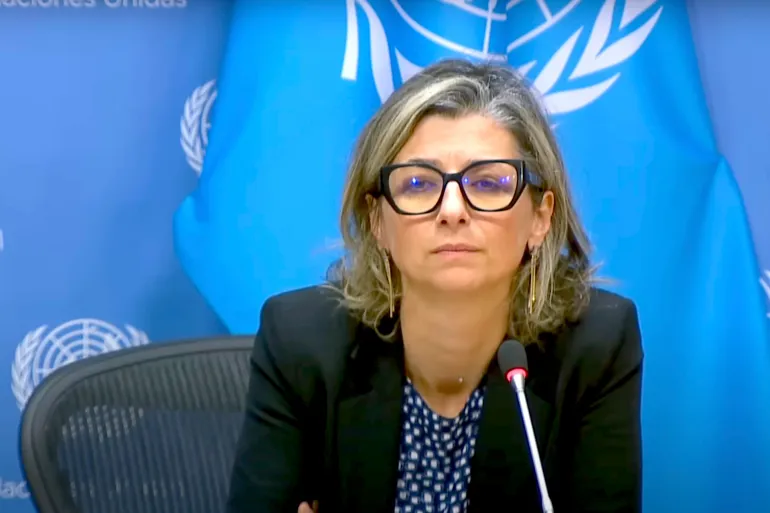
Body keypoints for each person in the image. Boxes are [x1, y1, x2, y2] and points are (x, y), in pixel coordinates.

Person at [225, 58, 643, 513]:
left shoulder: (595, 347)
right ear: (377, 221)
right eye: (418, 184)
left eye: (488, 183)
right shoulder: (300, 342)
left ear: (540, 218)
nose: (452, 210)